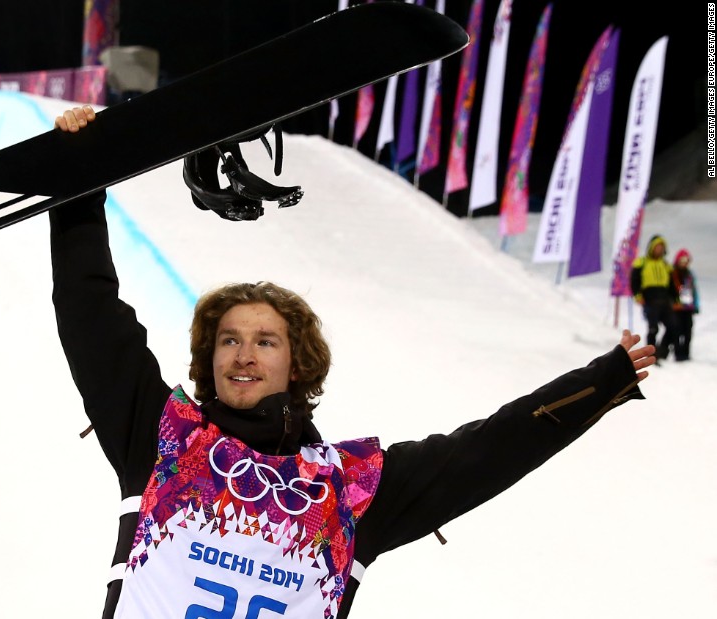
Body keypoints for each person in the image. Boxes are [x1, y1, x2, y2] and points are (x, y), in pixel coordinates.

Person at [50, 105, 656, 618]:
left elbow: (490, 449)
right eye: (228, 340)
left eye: (266, 341)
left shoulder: (353, 490)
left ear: (299, 365)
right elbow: (90, 313)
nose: (242, 354)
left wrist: (602, 383)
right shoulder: (161, 439)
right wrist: (78, 183)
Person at [631, 234, 677, 361]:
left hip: (664, 299)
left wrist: (675, 299)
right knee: (653, 328)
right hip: (650, 299)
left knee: (673, 326)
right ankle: (650, 354)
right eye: (657, 247)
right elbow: (634, 281)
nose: (659, 250)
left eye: (661, 247)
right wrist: (637, 295)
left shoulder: (665, 265)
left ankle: (662, 350)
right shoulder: (642, 262)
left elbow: (672, 284)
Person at [670, 248, 700, 361]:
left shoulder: (689, 275)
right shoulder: (672, 274)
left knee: (688, 331)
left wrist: (696, 305)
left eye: (686, 260)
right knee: (677, 331)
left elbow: (694, 291)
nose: (684, 263)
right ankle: (678, 354)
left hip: (688, 308)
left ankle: (686, 354)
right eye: (682, 260)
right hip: (677, 308)